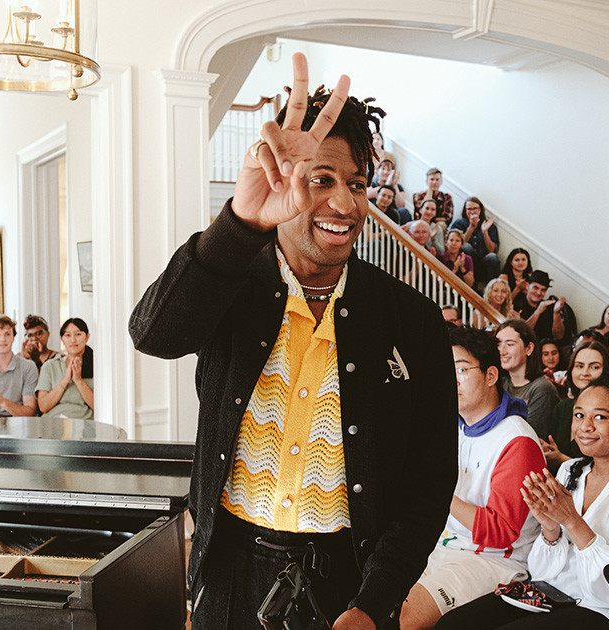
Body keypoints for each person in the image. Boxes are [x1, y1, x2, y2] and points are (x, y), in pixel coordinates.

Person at [128, 54, 457, 630]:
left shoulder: (412, 320)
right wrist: (239, 222)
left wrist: (376, 601)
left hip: (347, 587)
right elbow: (155, 335)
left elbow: (429, 483)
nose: (345, 204)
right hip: (231, 572)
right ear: (282, 178)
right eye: (321, 179)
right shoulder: (232, 279)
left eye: (356, 184)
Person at [438, 374, 609, 630]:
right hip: (552, 593)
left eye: (600, 417)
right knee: (453, 624)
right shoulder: (570, 469)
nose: (585, 426)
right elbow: (544, 573)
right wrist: (550, 528)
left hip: (606, 611)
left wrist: (573, 522)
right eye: (579, 415)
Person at [400, 327, 546, 629]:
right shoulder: (454, 425)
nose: (450, 380)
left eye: (462, 370)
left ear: (491, 375)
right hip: (447, 546)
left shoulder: (516, 440)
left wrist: (436, 491)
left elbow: (500, 532)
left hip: (495, 560)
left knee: (409, 617)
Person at [546, 340, 609, 466]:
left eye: (595, 367)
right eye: (579, 366)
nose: (585, 372)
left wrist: (562, 459)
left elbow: (606, 468)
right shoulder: (563, 407)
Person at [496, 320, 560, 441]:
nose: (502, 351)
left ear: (529, 348)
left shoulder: (542, 388)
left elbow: (529, 436)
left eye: (510, 344)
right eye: (498, 344)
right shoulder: (500, 384)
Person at [36, 318, 95, 420]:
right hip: (52, 423)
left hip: (83, 425)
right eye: (67, 335)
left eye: (78, 334)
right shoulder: (50, 366)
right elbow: (43, 407)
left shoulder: (97, 366)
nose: (73, 340)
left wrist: (78, 380)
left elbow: (98, 407)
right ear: (62, 339)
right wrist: (66, 380)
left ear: (87, 337)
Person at [449, 197, 500, 289]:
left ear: (480, 210)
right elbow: (456, 245)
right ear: (465, 210)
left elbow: (492, 250)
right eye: (469, 209)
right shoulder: (459, 223)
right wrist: (471, 227)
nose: (472, 211)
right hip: (464, 263)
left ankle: (493, 289)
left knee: (493, 257)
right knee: (466, 247)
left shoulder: (489, 225)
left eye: (475, 208)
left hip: (482, 264)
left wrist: (485, 232)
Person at [512, 270, 567, 342]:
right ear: (527, 286)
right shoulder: (516, 305)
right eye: (536, 288)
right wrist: (537, 312)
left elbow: (559, 336)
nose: (538, 293)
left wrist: (556, 313)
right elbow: (522, 335)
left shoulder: (549, 306)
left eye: (543, 290)